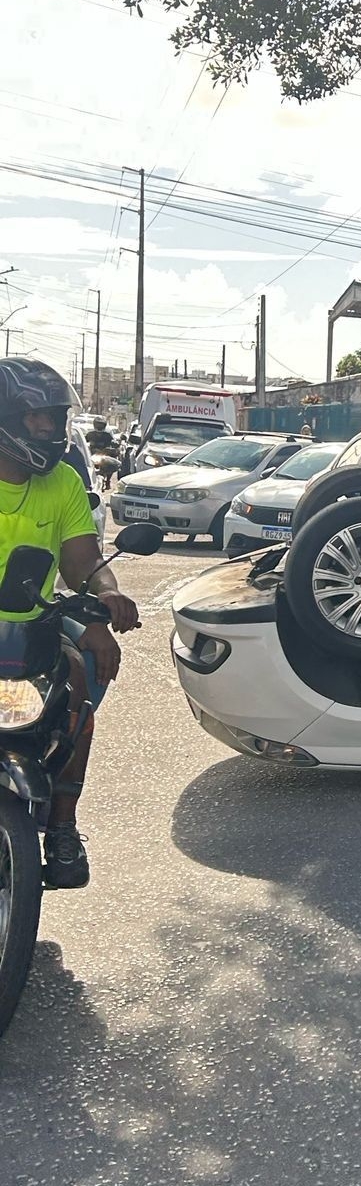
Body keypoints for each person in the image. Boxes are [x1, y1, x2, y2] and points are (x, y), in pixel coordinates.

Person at [0, 358, 140, 888]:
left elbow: (82, 563)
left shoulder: (61, 481)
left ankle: (62, 827)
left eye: (55, 419)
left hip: (32, 626)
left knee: (82, 682)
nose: (49, 430)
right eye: (36, 418)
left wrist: (107, 599)